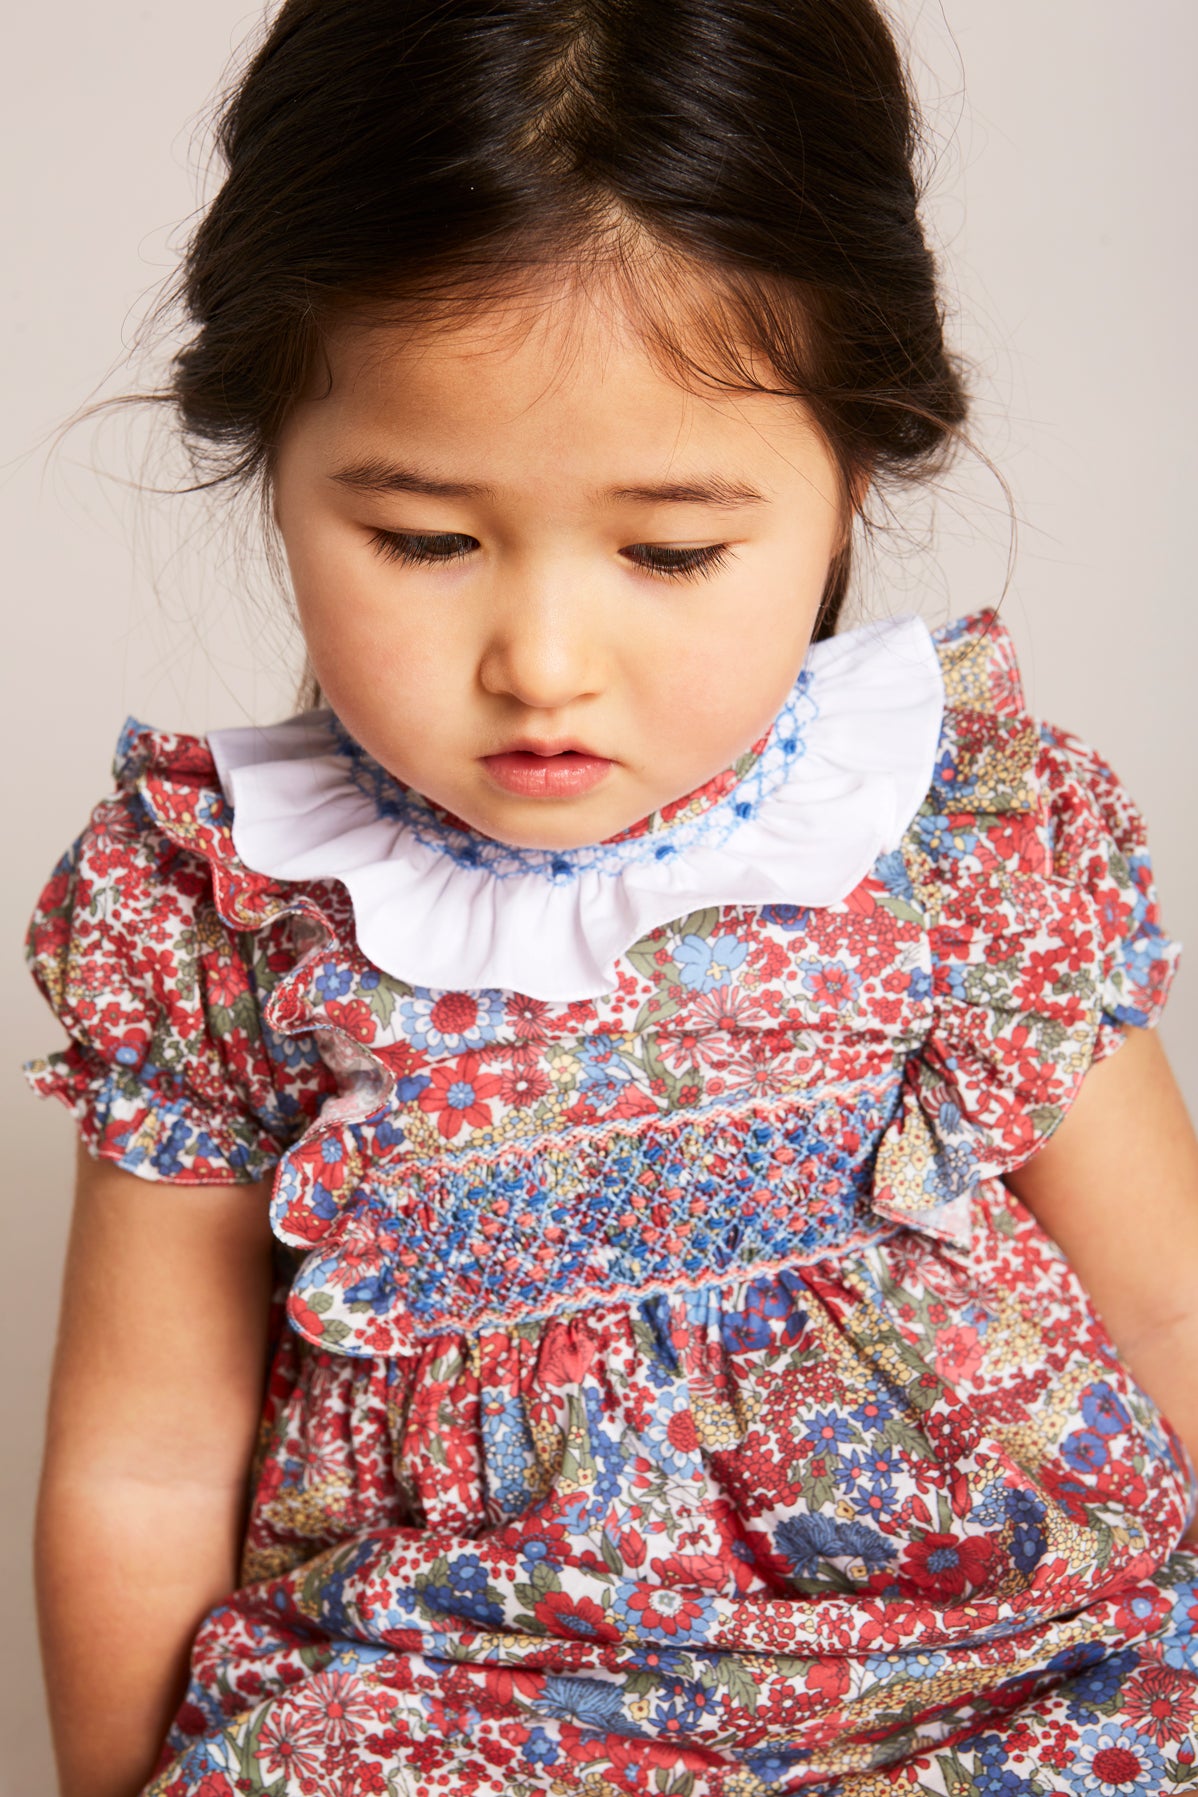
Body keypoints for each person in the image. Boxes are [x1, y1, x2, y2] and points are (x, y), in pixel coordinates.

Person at [23, 1, 1198, 1793]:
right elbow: (145, 1457)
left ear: (851, 469)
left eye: (669, 549)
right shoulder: (217, 907)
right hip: (451, 1698)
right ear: (269, 453)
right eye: (423, 538)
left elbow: (1169, 1307)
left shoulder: (961, 831)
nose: (543, 662)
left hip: (996, 1662)